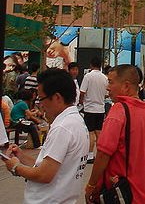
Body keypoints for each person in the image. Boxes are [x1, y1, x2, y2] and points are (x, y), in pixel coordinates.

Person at [2, 68, 89, 203]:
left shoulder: (63, 127)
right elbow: (48, 166)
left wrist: (15, 166)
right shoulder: (75, 121)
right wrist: (21, 157)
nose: (40, 104)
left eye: (41, 98)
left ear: (57, 97)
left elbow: (44, 175)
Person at [83, 65, 145, 204]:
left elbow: (103, 154)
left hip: (121, 192)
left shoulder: (119, 111)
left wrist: (91, 185)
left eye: (111, 82)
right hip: (143, 191)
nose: (107, 87)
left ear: (126, 86)